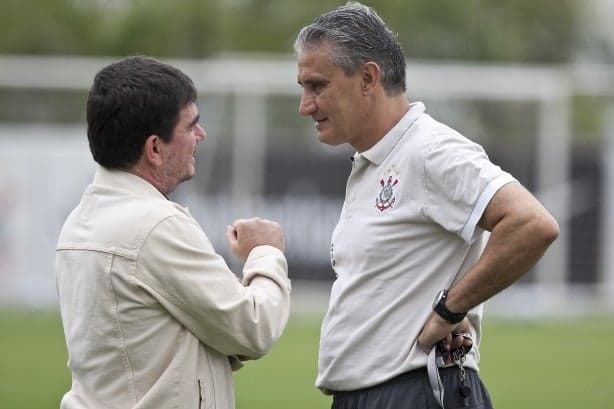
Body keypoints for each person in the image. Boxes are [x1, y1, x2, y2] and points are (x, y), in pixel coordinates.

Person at [294, 2, 559, 409]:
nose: (305, 105)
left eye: (317, 86)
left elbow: (531, 223)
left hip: (417, 391)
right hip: (370, 395)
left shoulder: (429, 151)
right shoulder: (375, 161)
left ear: (368, 77)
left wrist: (449, 309)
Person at [55, 56, 291, 409]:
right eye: (191, 126)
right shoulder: (156, 225)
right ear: (154, 149)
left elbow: (170, 343)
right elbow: (253, 328)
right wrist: (266, 253)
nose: (201, 135)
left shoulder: (79, 221)